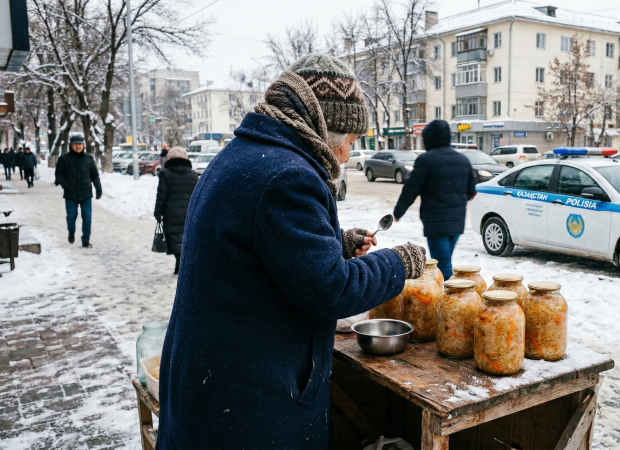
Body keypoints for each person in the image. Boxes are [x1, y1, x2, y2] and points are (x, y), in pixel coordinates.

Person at [156, 54, 427, 449]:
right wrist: (398, 263)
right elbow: (331, 290)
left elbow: (265, 243)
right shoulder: (288, 175)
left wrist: (335, 241)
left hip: (213, 379)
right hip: (248, 402)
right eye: (350, 142)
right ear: (324, 128)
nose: (348, 156)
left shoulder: (245, 154)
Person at [392, 119, 476, 279]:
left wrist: (398, 212)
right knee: (445, 261)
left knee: (442, 266)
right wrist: (457, 203)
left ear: (430, 138)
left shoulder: (426, 160)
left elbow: (411, 189)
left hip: (436, 223)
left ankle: (448, 299)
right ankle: (449, 296)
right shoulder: (463, 160)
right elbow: (471, 190)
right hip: (457, 222)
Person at [154, 146, 199, 274]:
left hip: (171, 212)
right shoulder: (193, 175)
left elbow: (161, 195)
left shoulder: (165, 174)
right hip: (188, 212)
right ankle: (183, 261)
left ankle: (179, 260)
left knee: (174, 238)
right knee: (185, 237)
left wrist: (158, 213)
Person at [55, 134, 102, 247]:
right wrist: (65, 185)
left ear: (83, 146)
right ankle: (71, 231)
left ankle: (85, 239)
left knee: (87, 217)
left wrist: (98, 189)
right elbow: (58, 174)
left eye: (80, 144)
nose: (78, 146)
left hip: (86, 193)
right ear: (71, 145)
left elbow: (95, 175)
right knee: (71, 215)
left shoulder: (89, 158)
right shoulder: (64, 158)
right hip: (70, 193)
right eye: (75, 144)